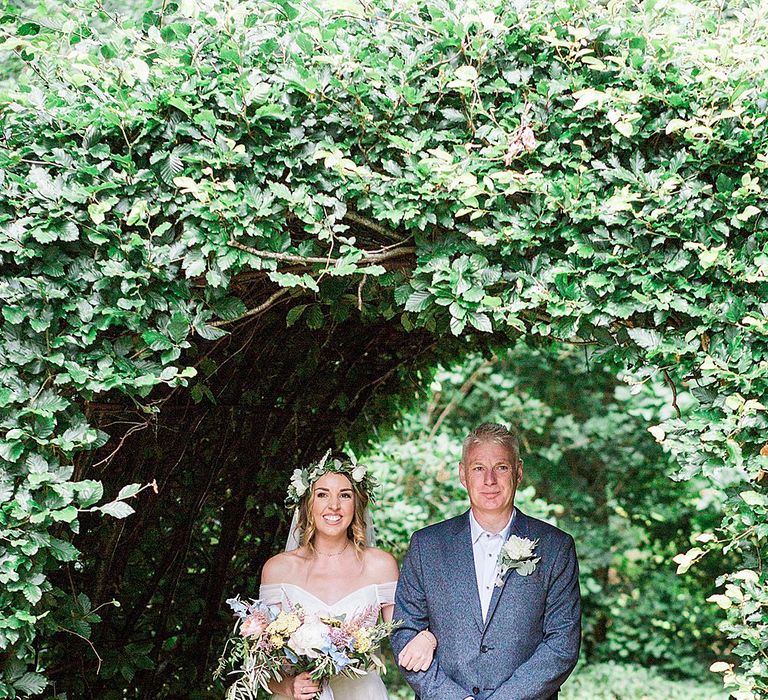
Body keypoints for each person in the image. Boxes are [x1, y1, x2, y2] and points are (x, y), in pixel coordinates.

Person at [392, 423, 581, 700]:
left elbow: (562, 645)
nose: (489, 480)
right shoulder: (427, 546)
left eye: (501, 467)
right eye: (478, 468)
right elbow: (405, 632)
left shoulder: (556, 547)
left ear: (518, 472)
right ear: (462, 475)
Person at [258, 451, 435, 699]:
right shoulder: (278, 570)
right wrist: (289, 686)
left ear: (357, 503)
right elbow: (262, 663)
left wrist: (428, 638)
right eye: (322, 495)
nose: (334, 506)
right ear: (307, 504)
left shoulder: (380, 566)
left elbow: (405, 635)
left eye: (344, 495)